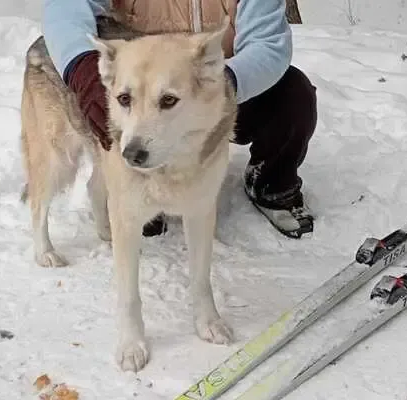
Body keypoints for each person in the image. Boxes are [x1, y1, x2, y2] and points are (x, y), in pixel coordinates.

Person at [41, 0, 318, 239]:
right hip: (141, 99)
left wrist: (221, 86)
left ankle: (270, 184)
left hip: (217, 92)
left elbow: (268, 44)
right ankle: (146, 188)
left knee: (294, 97)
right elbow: (65, 5)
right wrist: (81, 66)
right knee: (137, 163)